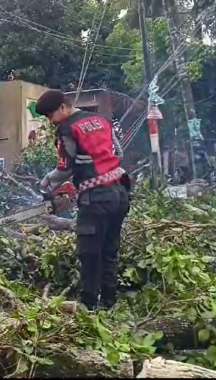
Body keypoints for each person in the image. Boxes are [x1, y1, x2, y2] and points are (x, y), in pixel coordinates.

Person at [34, 90, 131, 311]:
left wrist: (48, 183)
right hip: (120, 192)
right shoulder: (101, 120)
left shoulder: (67, 129)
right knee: (109, 250)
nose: (50, 121)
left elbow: (65, 167)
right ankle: (109, 303)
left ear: (62, 107)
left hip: (96, 198)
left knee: (89, 253)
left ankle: (88, 306)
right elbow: (118, 152)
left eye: (50, 116)